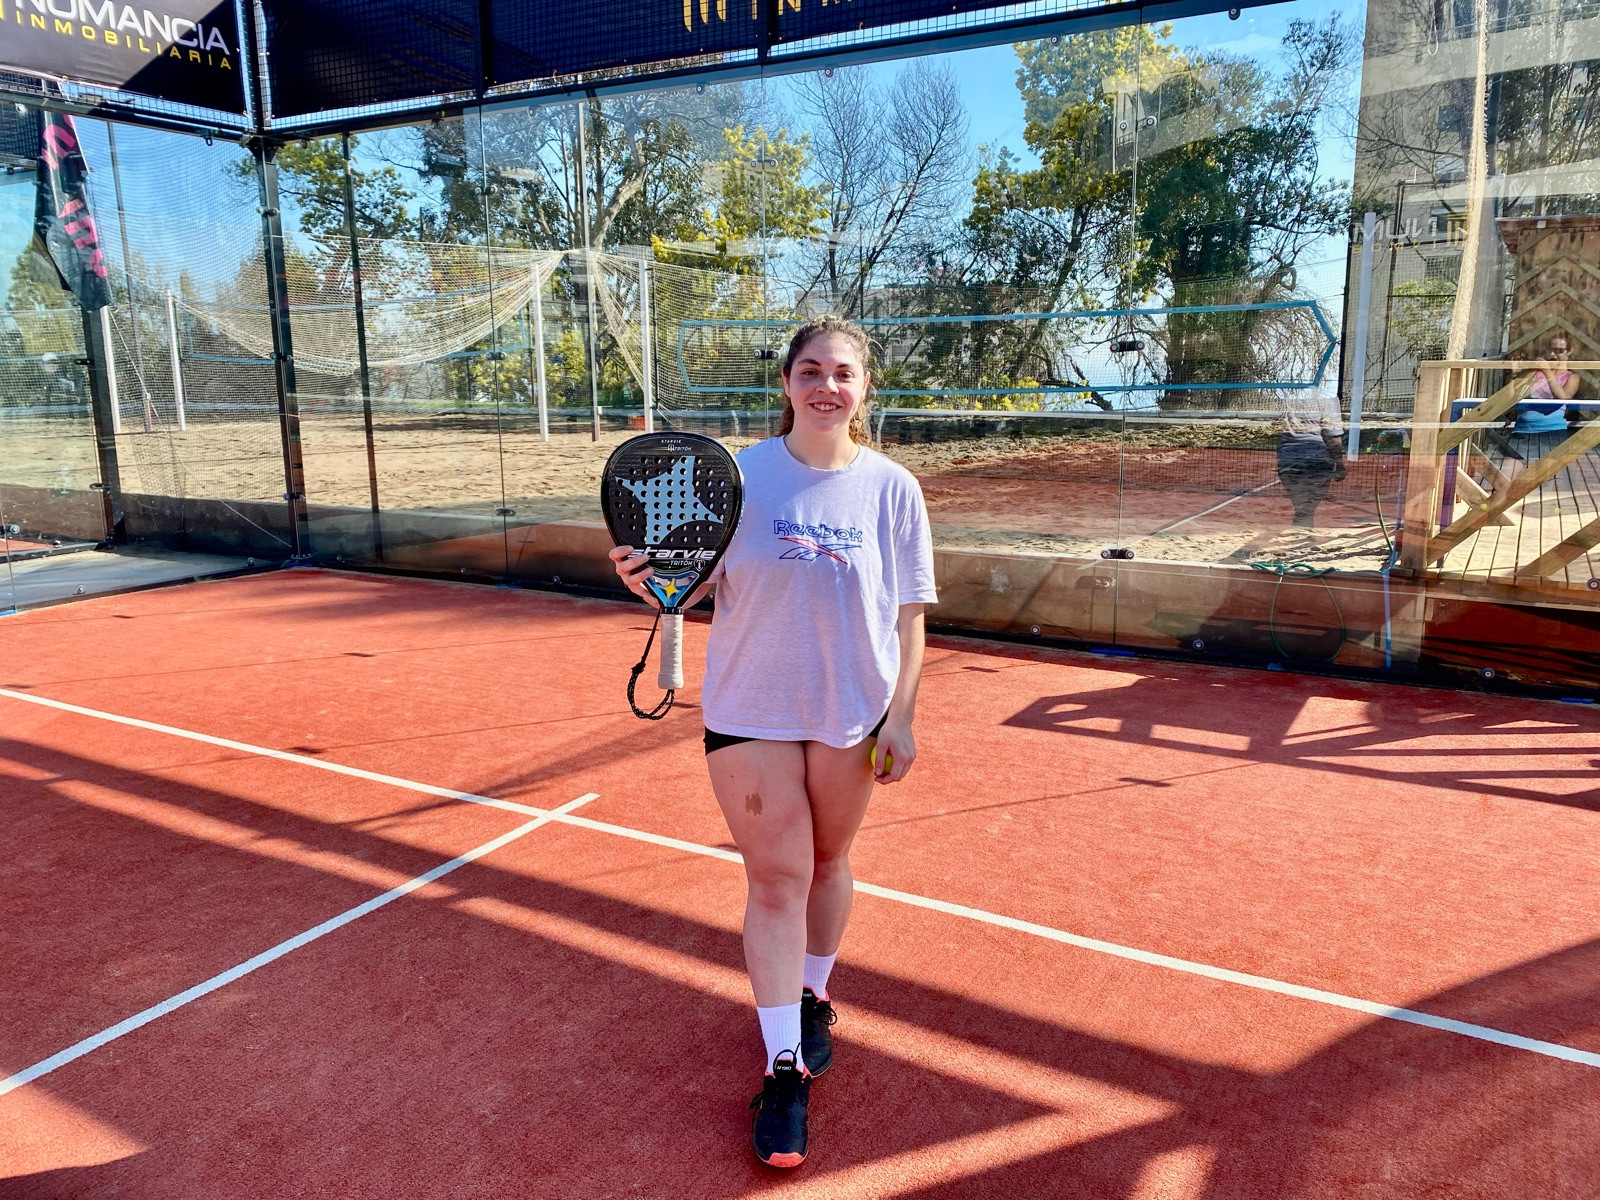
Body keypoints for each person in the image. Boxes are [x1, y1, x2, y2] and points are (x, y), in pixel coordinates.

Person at [608, 315, 937, 1169]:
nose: (828, 386)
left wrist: (901, 715)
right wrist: (650, 582)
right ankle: (782, 1067)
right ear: (787, 383)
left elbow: (909, 617)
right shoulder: (738, 479)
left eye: (843, 372)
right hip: (750, 709)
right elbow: (688, 584)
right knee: (780, 876)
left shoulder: (893, 488)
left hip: (852, 710)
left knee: (828, 862)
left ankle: (813, 995)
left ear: (865, 387)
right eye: (811, 371)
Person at [1276, 390, 1347, 529]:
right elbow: (1332, 436)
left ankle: (1302, 533)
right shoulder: (1328, 397)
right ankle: (1303, 535)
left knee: (1302, 507)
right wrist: (1339, 464)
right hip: (1317, 460)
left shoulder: (1285, 394)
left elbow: (1274, 425)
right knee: (1306, 508)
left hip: (1288, 458)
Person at [1514, 335, 1580, 434]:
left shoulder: (1572, 377)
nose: (1553, 354)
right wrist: (1515, 374)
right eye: (1551, 350)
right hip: (1523, 428)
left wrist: (1547, 371)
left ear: (1569, 351)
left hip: (1553, 429)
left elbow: (1564, 398)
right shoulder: (1536, 372)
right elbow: (1515, 393)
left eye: (1559, 351)